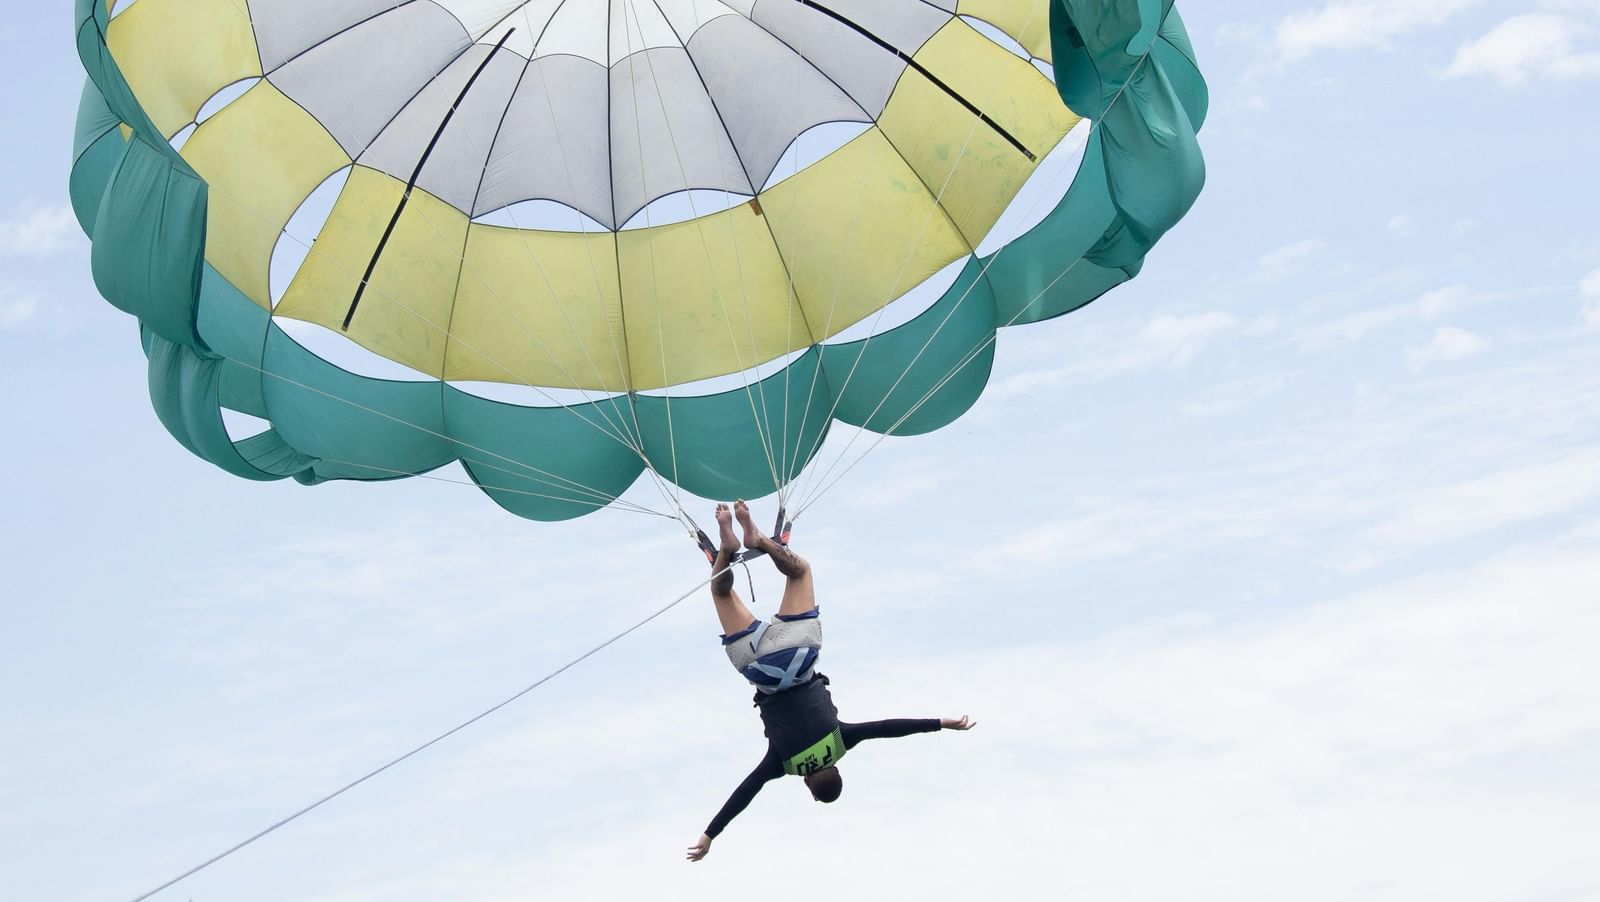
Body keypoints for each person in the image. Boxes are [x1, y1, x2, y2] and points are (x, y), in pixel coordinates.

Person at [687, 500, 976, 862]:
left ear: (836, 768)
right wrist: (710, 834)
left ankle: (756, 537)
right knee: (721, 591)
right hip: (760, 669)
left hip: (799, 655)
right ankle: (726, 552)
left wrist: (940, 723)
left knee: (800, 573)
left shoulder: (841, 741)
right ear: (809, 786)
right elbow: (745, 792)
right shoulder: (784, 764)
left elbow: (887, 727)